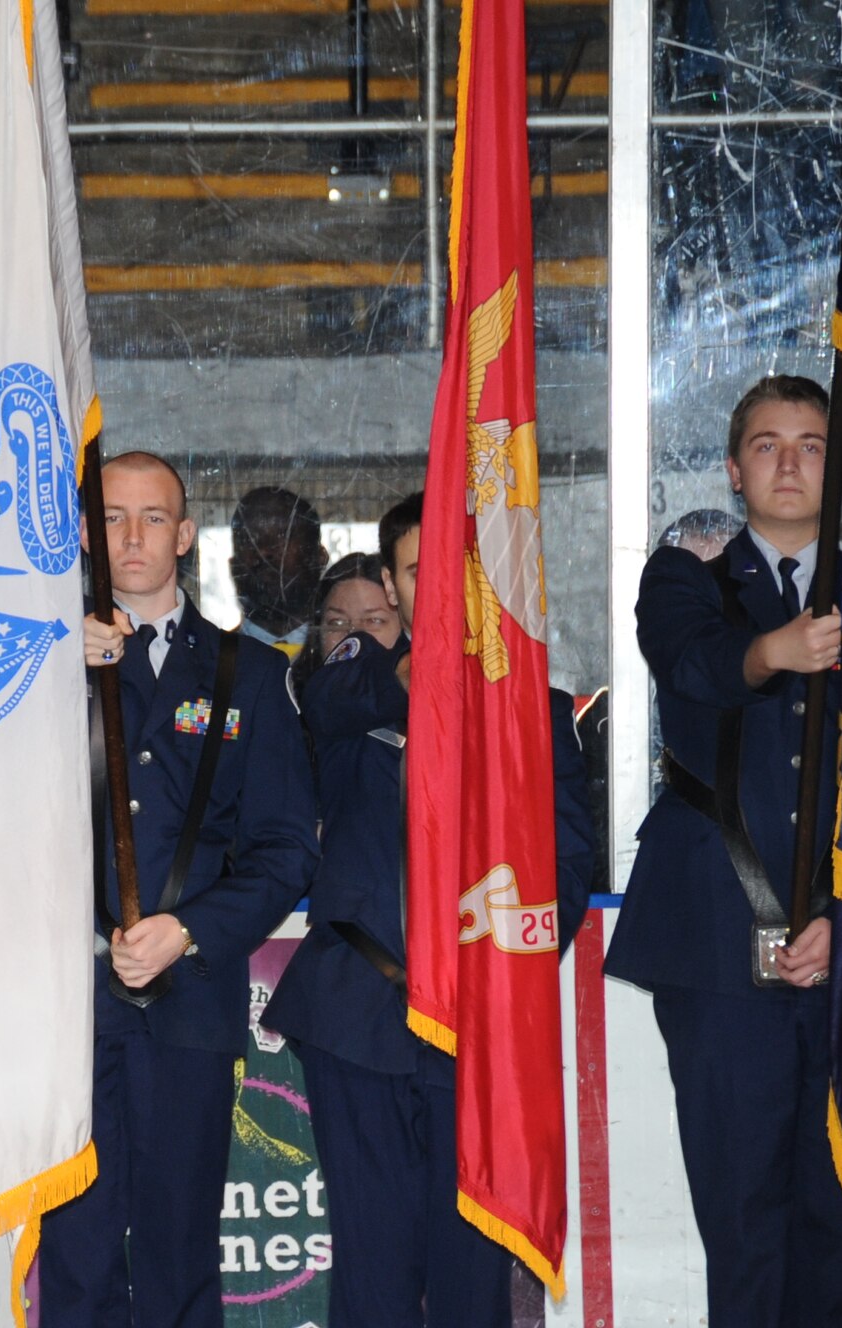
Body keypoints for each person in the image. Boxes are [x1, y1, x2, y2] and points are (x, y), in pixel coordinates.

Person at [262, 491, 595, 1328]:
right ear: (391, 582)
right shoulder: (347, 681)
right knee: (372, 1274)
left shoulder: (535, 710)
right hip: (360, 1012)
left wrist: (508, 955)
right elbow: (326, 701)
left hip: (480, 1023)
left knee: (470, 1282)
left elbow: (569, 861)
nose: (440, 586)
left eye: (460, 569)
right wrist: (417, 671)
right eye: (420, 571)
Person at [606, 374, 842, 1325]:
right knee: (743, 1219)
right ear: (734, 467)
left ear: (837, 472)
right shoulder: (689, 575)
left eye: (812, 444)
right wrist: (775, 652)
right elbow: (691, 664)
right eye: (768, 445)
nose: (791, 462)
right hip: (716, 934)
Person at [41, 451, 318, 1327]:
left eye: (153, 517)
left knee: (179, 1257)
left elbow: (284, 851)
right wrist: (49, 664)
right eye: (113, 516)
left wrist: (189, 930)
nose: (131, 535)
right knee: (76, 1262)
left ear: (186, 535)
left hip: (189, 997)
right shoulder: (40, 665)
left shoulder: (250, 676)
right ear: (89, 534)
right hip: (66, 1003)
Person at [230, 484, 329, 661]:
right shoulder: (209, 662)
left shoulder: (344, 657)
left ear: (319, 558)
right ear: (233, 566)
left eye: (282, 537)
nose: (264, 551)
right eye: (249, 539)